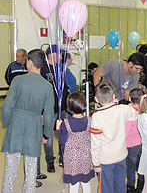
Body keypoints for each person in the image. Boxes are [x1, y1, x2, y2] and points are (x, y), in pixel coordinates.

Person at [1, 49, 54, 193]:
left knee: (11, 166)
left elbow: (6, 108)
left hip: (16, 123)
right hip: (34, 126)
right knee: (31, 168)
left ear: (29, 62)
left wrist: (7, 124)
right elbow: (49, 116)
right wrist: (46, 134)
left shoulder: (18, 80)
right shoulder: (47, 86)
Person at [90, 82, 138, 193]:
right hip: (121, 156)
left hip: (105, 160)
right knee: (120, 185)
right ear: (113, 96)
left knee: (106, 187)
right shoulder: (122, 109)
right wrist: (131, 107)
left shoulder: (96, 117)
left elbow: (95, 144)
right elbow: (136, 113)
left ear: (96, 99)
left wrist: (96, 163)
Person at [56, 92, 95, 193]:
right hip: (85, 156)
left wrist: (57, 129)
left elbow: (62, 140)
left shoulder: (66, 122)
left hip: (72, 158)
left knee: (73, 184)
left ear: (69, 106)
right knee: (86, 183)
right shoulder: (89, 120)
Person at [39, 44, 70, 172]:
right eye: (59, 54)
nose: (61, 56)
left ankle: (62, 156)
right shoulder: (42, 69)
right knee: (49, 136)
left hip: (62, 108)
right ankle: (50, 160)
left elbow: (65, 86)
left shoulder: (60, 68)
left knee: (63, 133)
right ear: (52, 54)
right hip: (49, 109)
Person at [126, 88, 145, 193]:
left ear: (129, 98)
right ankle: (141, 186)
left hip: (130, 145)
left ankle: (130, 187)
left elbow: (125, 132)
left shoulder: (129, 115)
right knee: (141, 166)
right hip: (142, 143)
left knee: (130, 168)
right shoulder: (144, 112)